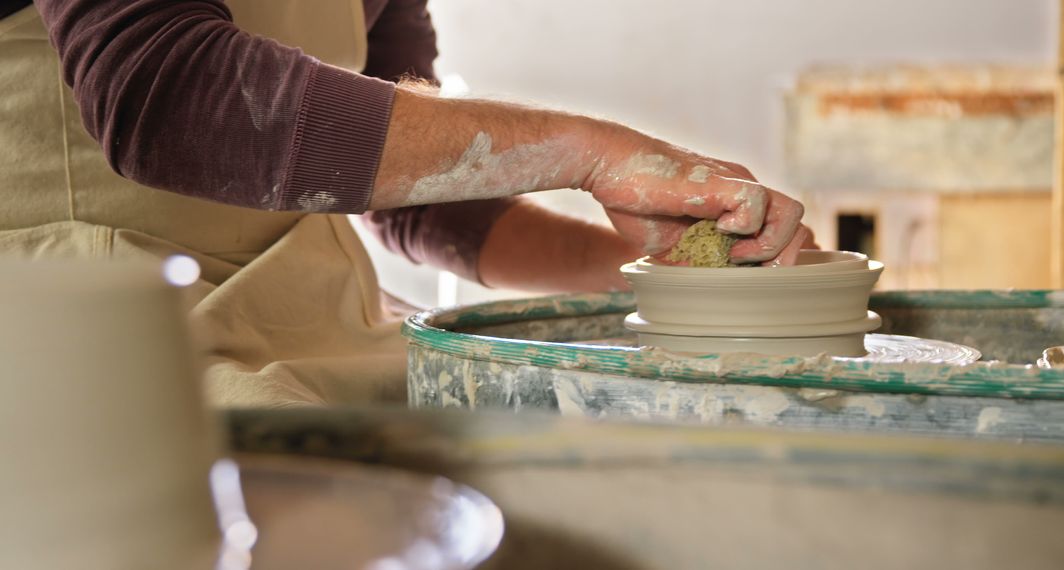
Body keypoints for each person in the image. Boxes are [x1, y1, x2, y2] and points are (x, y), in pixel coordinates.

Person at [0, 0, 810, 407]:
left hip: (300, 319)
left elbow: (426, 202)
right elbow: (167, 99)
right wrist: (585, 151)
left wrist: (652, 276)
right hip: (84, 332)